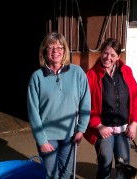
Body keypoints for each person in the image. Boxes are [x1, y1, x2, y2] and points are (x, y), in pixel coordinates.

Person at [27, 32, 91, 178]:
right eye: (50, 47)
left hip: (70, 134)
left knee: (67, 174)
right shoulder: (37, 77)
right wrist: (41, 140)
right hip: (47, 136)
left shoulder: (77, 73)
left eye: (59, 47)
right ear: (44, 51)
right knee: (52, 175)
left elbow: (85, 102)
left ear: (65, 51)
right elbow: (33, 112)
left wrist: (81, 129)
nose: (55, 51)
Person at [83, 38, 137, 179]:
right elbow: (84, 105)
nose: (107, 58)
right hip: (104, 131)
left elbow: (135, 98)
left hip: (124, 130)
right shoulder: (90, 76)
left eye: (112, 55)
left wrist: (134, 124)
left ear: (118, 57)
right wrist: (98, 125)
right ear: (101, 52)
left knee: (124, 167)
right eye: (105, 53)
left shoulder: (126, 71)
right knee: (104, 166)